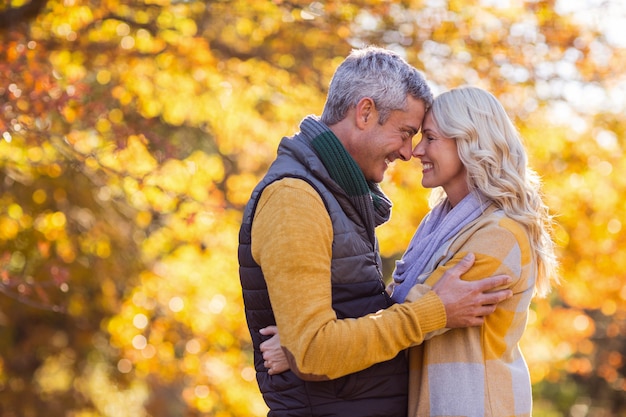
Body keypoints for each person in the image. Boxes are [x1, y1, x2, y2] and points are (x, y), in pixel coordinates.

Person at [238, 47, 512, 417]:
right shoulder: (295, 199)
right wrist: (433, 312)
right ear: (365, 112)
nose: (407, 152)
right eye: (405, 133)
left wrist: (297, 344)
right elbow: (315, 353)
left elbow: (344, 322)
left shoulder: (340, 197)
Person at [388, 86, 560, 416]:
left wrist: (319, 343)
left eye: (430, 138)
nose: (416, 151)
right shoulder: (437, 227)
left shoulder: (500, 233)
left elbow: (415, 314)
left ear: (469, 141)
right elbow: (402, 309)